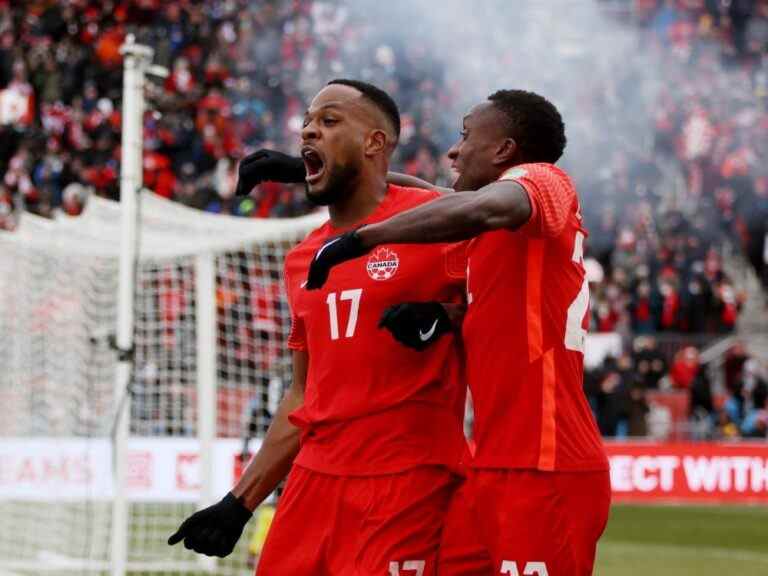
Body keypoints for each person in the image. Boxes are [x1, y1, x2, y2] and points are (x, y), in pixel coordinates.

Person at [301, 89, 611, 575]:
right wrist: (446, 316)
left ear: (504, 150)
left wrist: (361, 239)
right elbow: (434, 198)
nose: (453, 150)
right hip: (488, 464)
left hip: (546, 465)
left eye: (466, 135)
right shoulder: (493, 230)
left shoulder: (542, 180)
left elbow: (477, 207)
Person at [168, 79, 471, 575]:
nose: (308, 132)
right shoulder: (303, 258)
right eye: (306, 124)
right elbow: (303, 395)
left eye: (329, 122)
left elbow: (509, 271)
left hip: (406, 479)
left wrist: (448, 317)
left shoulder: (440, 223)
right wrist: (240, 502)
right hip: (313, 482)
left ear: (376, 142)